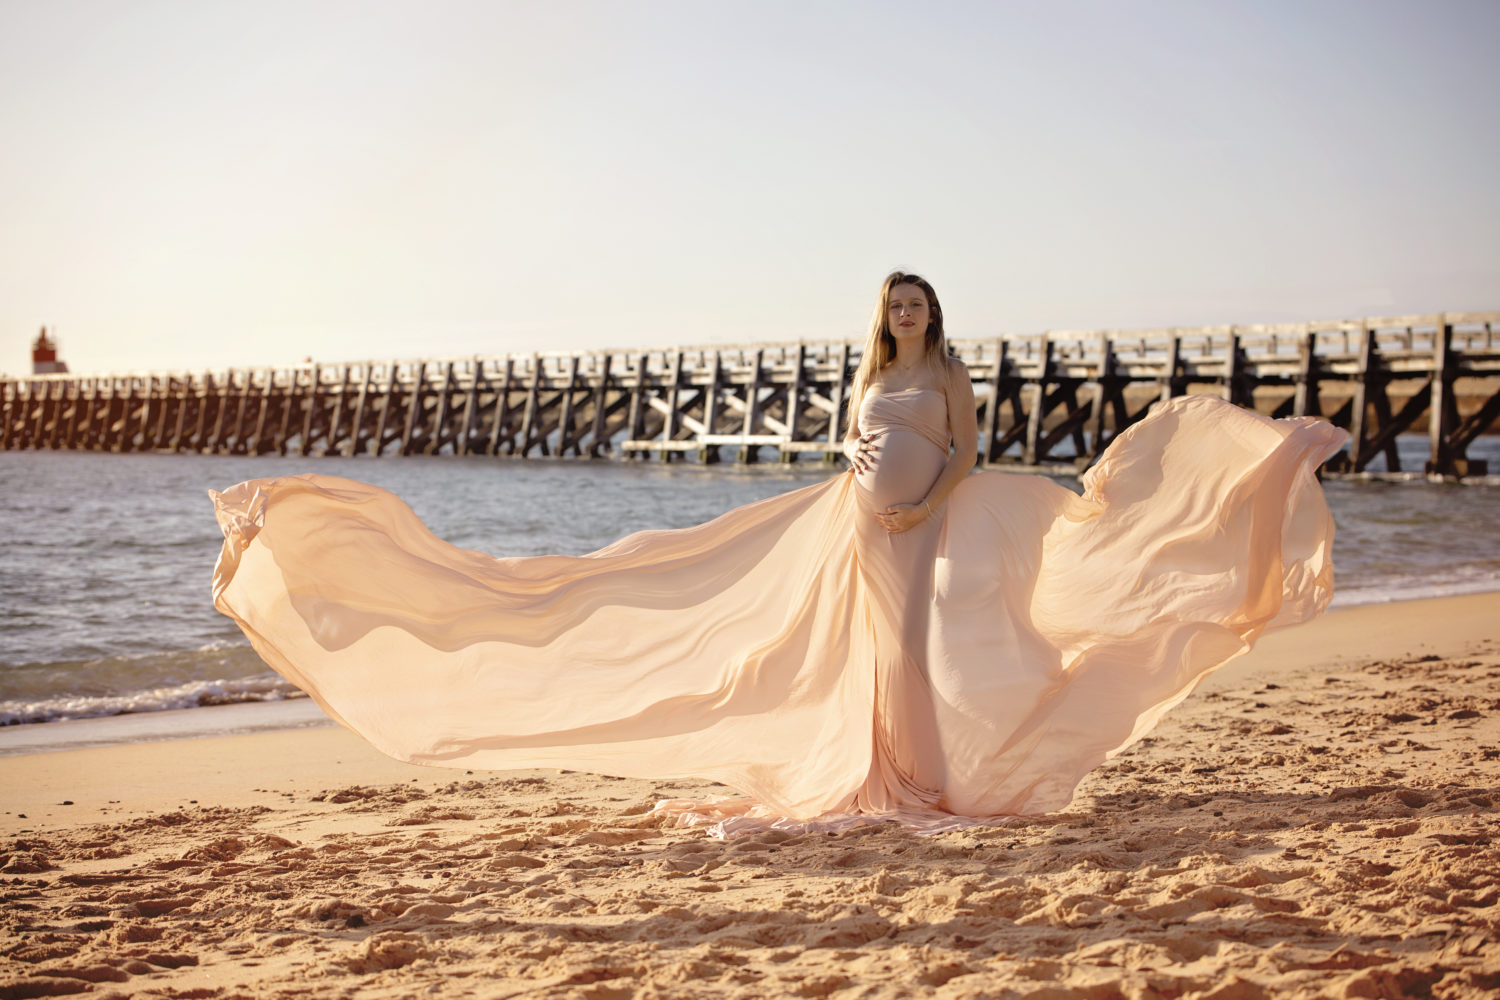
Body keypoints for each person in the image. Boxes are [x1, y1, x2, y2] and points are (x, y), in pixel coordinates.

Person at [210, 271, 1348, 836]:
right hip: (857, 520)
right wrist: (870, 489)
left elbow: (964, 453)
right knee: (692, 594)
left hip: (922, 524)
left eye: (916, 303)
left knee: (908, 647)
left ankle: (918, 780)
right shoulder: (867, 372)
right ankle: (883, 775)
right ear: (881, 315)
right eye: (894, 304)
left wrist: (920, 505)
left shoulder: (946, 372)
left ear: (931, 315)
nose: (905, 314)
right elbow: (857, 444)